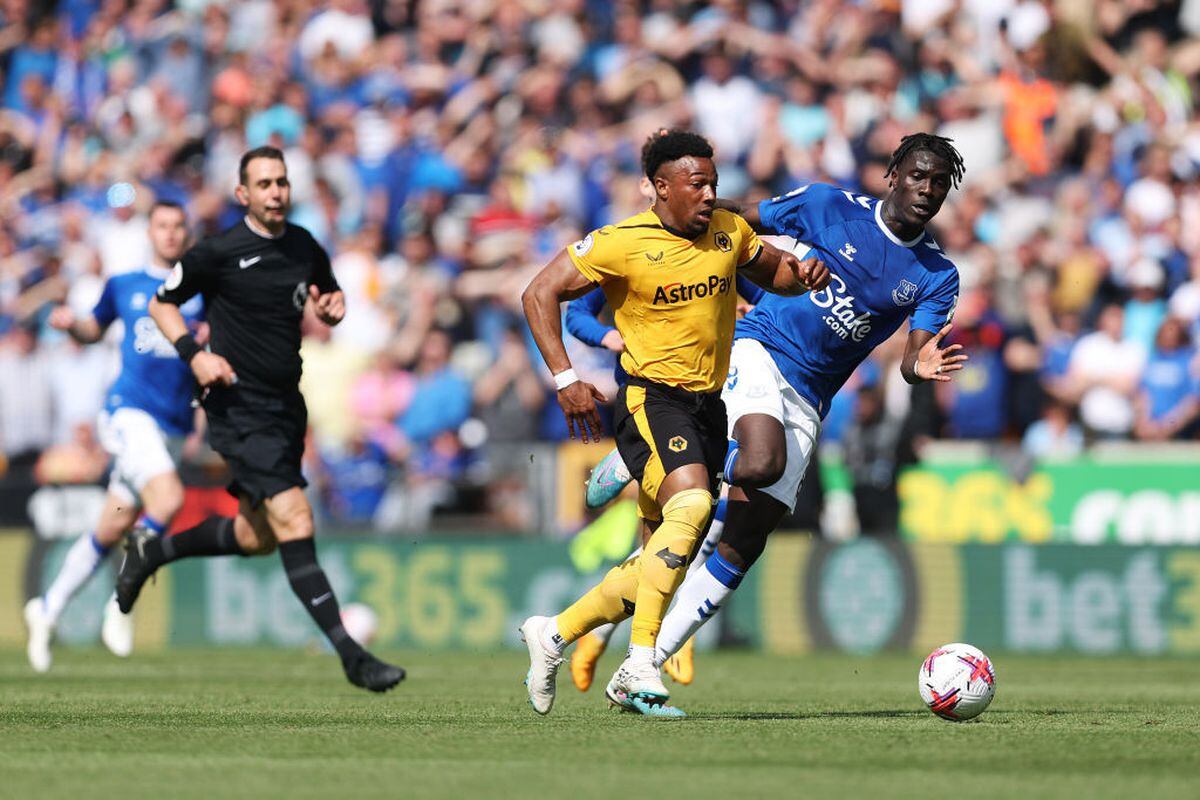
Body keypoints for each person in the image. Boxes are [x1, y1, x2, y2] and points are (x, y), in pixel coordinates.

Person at [518, 129, 829, 717]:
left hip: (708, 406)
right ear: (661, 189)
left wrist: (801, 273)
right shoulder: (619, 243)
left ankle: (554, 634)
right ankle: (639, 664)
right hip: (650, 399)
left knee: (665, 556)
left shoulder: (728, 234)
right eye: (698, 184)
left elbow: (774, 273)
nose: (711, 194)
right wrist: (565, 379)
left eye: (714, 183)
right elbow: (539, 293)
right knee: (691, 511)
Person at [648, 133, 970, 673]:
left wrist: (922, 366)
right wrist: (675, 213)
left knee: (747, 538)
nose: (927, 190)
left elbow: (913, 359)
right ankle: (658, 451)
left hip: (811, 397)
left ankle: (647, 662)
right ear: (893, 174)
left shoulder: (938, 275)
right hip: (759, 346)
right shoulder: (829, 206)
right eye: (918, 176)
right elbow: (741, 216)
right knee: (760, 461)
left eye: (939, 183)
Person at [119, 146, 403, 692]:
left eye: (282, 182)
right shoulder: (219, 251)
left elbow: (327, 293)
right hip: (236, 406)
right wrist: (194, 355)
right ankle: (351, 656)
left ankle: (151, 552)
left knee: (257, 537)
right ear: (243, 194)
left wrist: (332, 306)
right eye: (264, 183)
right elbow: (162, 303)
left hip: (284, 408)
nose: (276, 192)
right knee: (296, 517)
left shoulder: (304, 246)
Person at [24, 201, 203, 673]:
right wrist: (71, 324)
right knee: (167, 499)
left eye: (177, 225)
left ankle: (47, 606)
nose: (169, 233)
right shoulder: (125, 285)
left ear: (187, 233)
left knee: (112, 526)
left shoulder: (203, 291)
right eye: (162, 225)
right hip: (128, 415)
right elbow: (92, 328)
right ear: (150, 232)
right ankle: (121, 603)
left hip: (169, 429)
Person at [563, 276, 765, 692]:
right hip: (650, 400)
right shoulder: (628, 246)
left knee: (689, 526)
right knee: (690, 518)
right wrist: (609, 337)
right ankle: (664, 635)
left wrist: (752, 316)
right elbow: (577, 313)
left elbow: (767, 295)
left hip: (708, 392)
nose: (707, 206)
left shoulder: (722, 241)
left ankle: (595, 633)